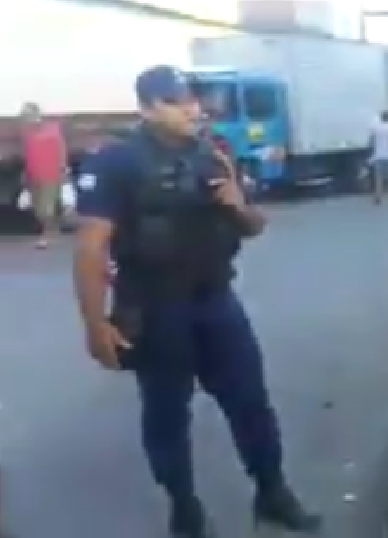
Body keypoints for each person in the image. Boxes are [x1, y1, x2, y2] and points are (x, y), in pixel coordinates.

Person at [73, 65, 321, 538]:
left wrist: (236, 203)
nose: (192, 109)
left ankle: (272, 492)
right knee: (167, 414)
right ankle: (183, 507)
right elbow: (90, 248)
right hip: (155, 308)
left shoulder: (213, 154)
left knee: (250, 402)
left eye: (192, 99)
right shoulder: (116, 162)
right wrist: (94, 325)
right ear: (148, 108)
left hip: (216, 301)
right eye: (176, 100)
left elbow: (254, 226)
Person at [20, 102, 67, 248]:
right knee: (36, 208)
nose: (26, 119)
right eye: (25, 116)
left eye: (28, 115)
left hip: (51, 175)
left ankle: (45, 236)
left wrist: (63, 167)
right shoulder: (27, 133)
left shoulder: (53, 129)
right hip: (33, 175)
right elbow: (28, 154)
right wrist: (26, 173)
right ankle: (53, 228)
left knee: (45, 209)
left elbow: (61, 149)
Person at [369, 110, 388, 203]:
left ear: (381, 118)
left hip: (378, 156)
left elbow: (371, 141)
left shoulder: (376, 128)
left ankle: (378, 196)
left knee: (379, 178)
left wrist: (375, 150)